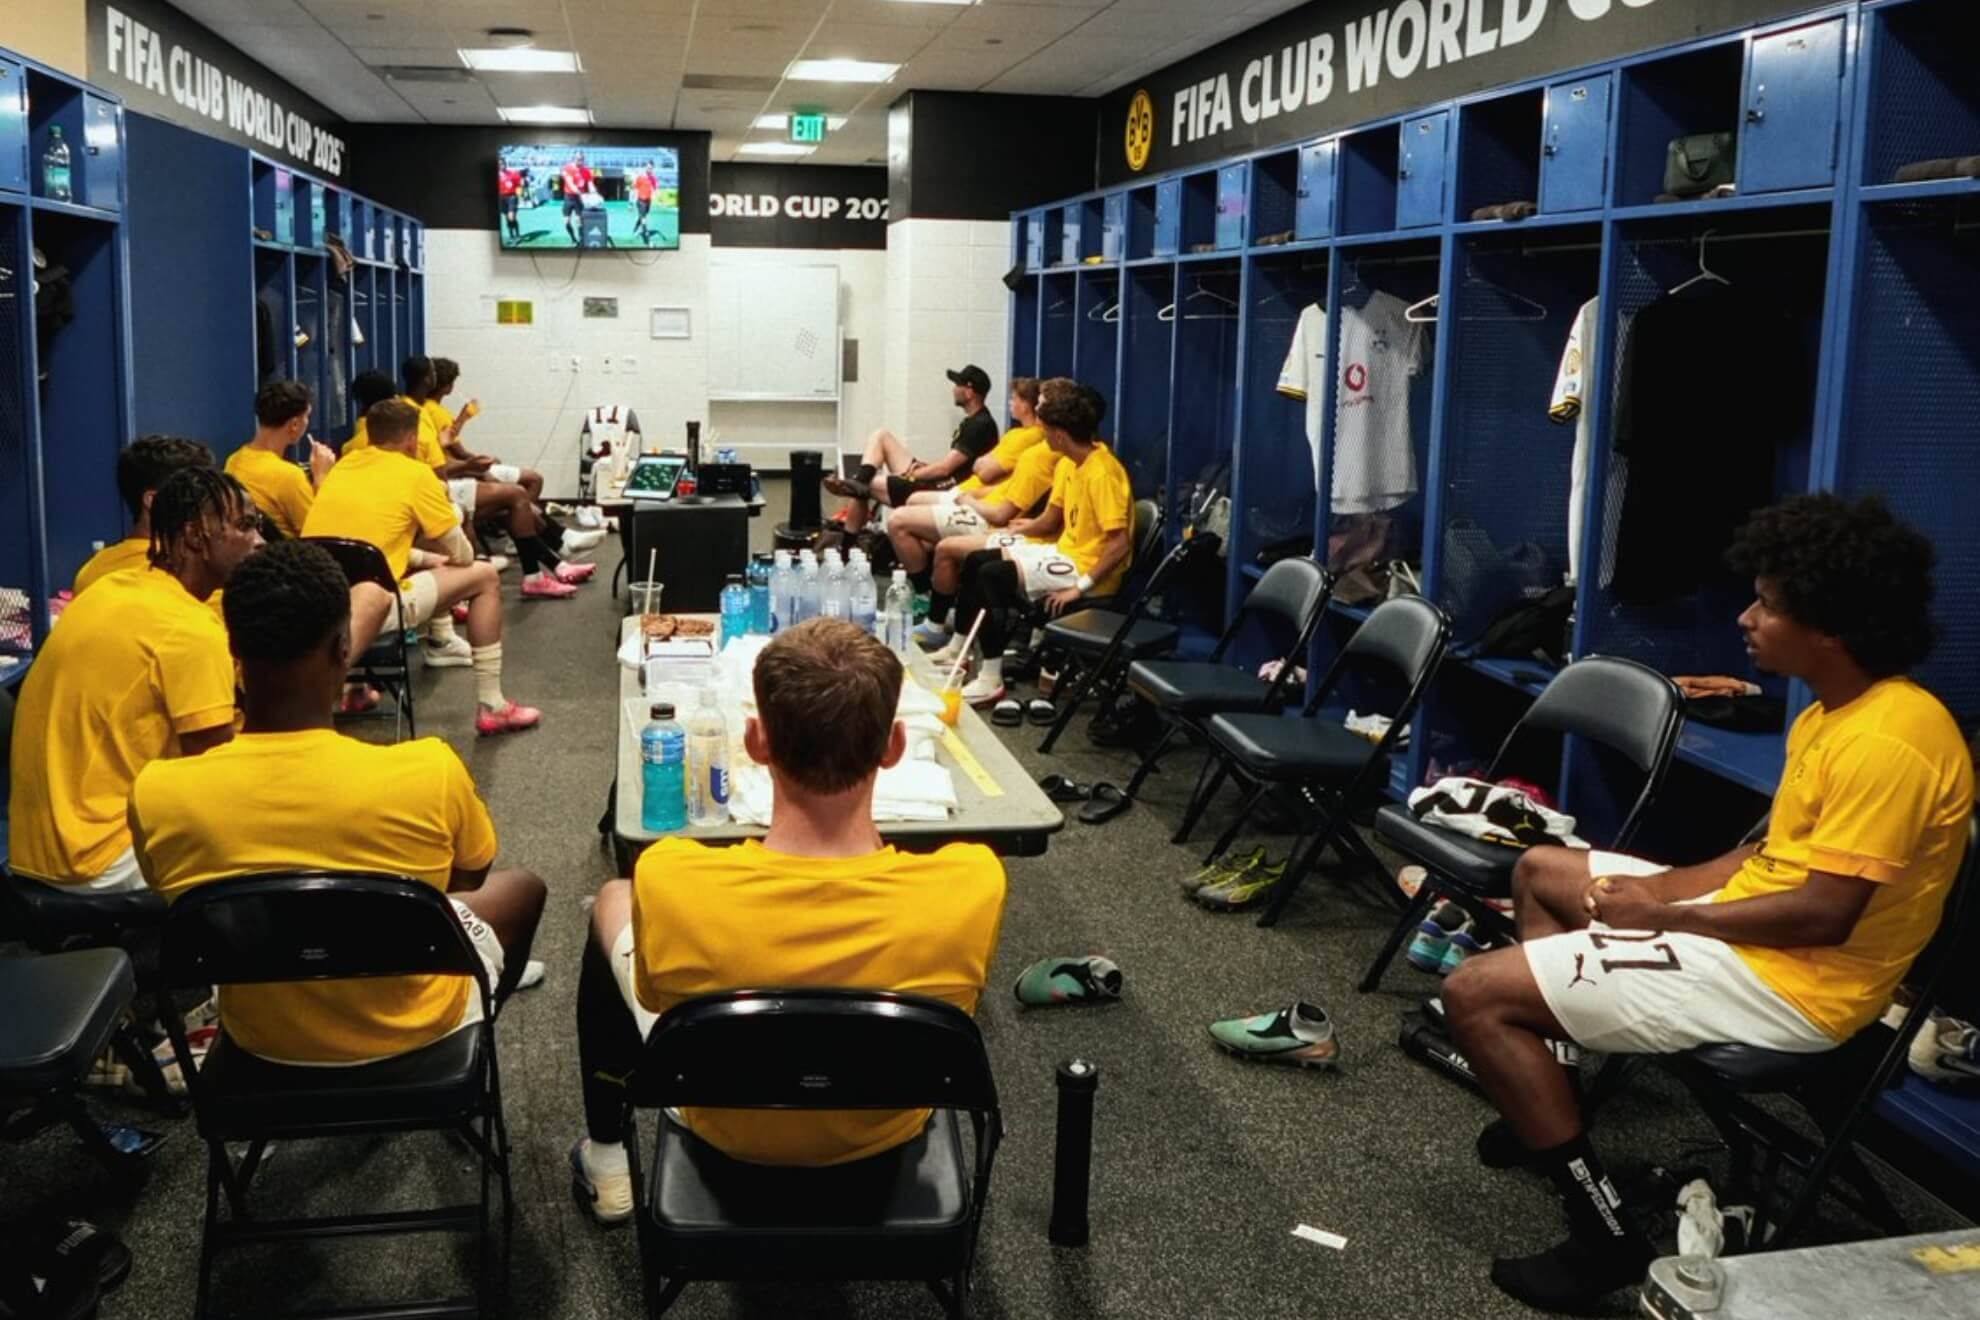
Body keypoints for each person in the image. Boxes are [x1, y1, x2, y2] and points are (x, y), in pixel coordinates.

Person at [1442, 493, 1974, 1312]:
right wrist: (1661, 888)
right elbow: (1763, 856)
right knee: (1544, 871)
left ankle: (1603, 1231)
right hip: (1755, 938)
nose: (1747, 618)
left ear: (1829, 627)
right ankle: (1549, 1103)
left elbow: (1822, 916)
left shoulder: (1888, 743)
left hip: (1797, 987)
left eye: (1769, 604)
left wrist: (1668, 916)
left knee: (1474, 994)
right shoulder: (1840, 711)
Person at [569, 619, 1008, 1222]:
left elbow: (652, 994)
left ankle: (607, 1156)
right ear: (894, 747)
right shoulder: (972, 883)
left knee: (614, 899)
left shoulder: (669, 878)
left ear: (755, 741)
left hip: (720, 1118)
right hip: (888, 1125)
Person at [130, 540, 548, 1064]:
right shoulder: (428, 771)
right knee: (523, 888)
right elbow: (468, 878)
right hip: (416, 1027)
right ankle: (474, 1034)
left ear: (232, 650)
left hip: (263, 1042)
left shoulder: (158, 792)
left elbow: (172, 895)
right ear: (342, 648)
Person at [8, 469, 261, 891]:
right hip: (96, 858)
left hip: (34, 850)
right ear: (196, 536)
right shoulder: (189, 629)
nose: (259, 541)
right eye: (246, 526)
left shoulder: (111, 589)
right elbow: (217, 781)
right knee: (271, 837)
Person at [302, 398, 542, 736]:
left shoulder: (344, 466)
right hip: (375, 606)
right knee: (485, 576)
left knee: (409, 558)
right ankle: (492, 705)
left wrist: (425, 560)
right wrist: (453, 555)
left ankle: (355, 690)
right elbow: (461, 552)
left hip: (320, 604)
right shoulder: (415, 474)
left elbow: (361, 544)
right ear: (413, 440)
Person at [941, 378, 1132, 706]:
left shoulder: (1102, 472)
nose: (1041, 435)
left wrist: (1079, 588)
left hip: (1088, 569)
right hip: (1066, 553)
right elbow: (1051, 520)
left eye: (1045, 429)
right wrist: (1013, 533)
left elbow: (1120, 544)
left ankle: (990, 679)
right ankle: (958, 649)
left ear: (1059, 434)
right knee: (977, 560)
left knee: (993, 576)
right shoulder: (1071, 464)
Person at [402, 355, 592, 598]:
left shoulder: (417, 412)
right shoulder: (417, 415)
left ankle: (552, 562)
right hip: (438, 490)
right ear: (430, 379)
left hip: (442, 481)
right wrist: (472, 467)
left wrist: (471, 460)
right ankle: (555, 552)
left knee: (515, 503)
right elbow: (439, 471)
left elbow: (443, 446)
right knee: (519, 493)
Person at [884, 377, 1046, 583]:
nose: (1010, 403)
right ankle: (927, 577)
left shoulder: (1033, 445)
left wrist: (913, 475)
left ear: (1026, 405)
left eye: (1014, 398)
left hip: (987, 513)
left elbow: (986, 477)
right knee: (910, 506)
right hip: (977, 496)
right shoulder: (1016, 435)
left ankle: (922, 586)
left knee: (900, 518)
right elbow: (982, 468)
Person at [821, 366, 1001, 533]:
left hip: (947, 489)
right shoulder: (974, 420)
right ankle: (859, 482)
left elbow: (945, 469)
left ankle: (847, 541)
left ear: (969, 392)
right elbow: (951, 466)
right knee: (881, 436)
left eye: (957, 385)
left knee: (868, 485)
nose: (953, 389)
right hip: (943, 480)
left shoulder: (980, 424)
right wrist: (920, 469)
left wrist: (911, 475)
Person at [72, 435, 217, 594]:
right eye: (200, 493)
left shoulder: (90, 571)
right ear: (153, 501)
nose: (214, 504)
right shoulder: (196, 574)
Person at [226, 379, 337, 539]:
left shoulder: (234, 460)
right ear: (294, 424)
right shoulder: (288, 477)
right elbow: (322, 534)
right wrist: (321, 477)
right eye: (307, 417)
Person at [561, 150, 594, 245]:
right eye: (578, 159)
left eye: (582, 159)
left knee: (579, 221)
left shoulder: (586, 171)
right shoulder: (568, 168)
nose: (580, 161)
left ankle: (580, 239)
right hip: (569, 197)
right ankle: (573, 238)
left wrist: (594, 193)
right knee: (566, 222)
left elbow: (590, 184)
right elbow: (571, 184)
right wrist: (582, 194)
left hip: (579, 199)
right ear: (574, 159)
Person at [498, 160, 525, 243]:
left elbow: (520, 185)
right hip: (501, 198)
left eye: (503, 163)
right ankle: (511, 236)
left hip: (512, 196)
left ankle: (517, 236)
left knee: (511, 217)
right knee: (507, 218)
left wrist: (521, 194)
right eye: (500, 164)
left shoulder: (512, 174)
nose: (502, 165)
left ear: (506, 164)